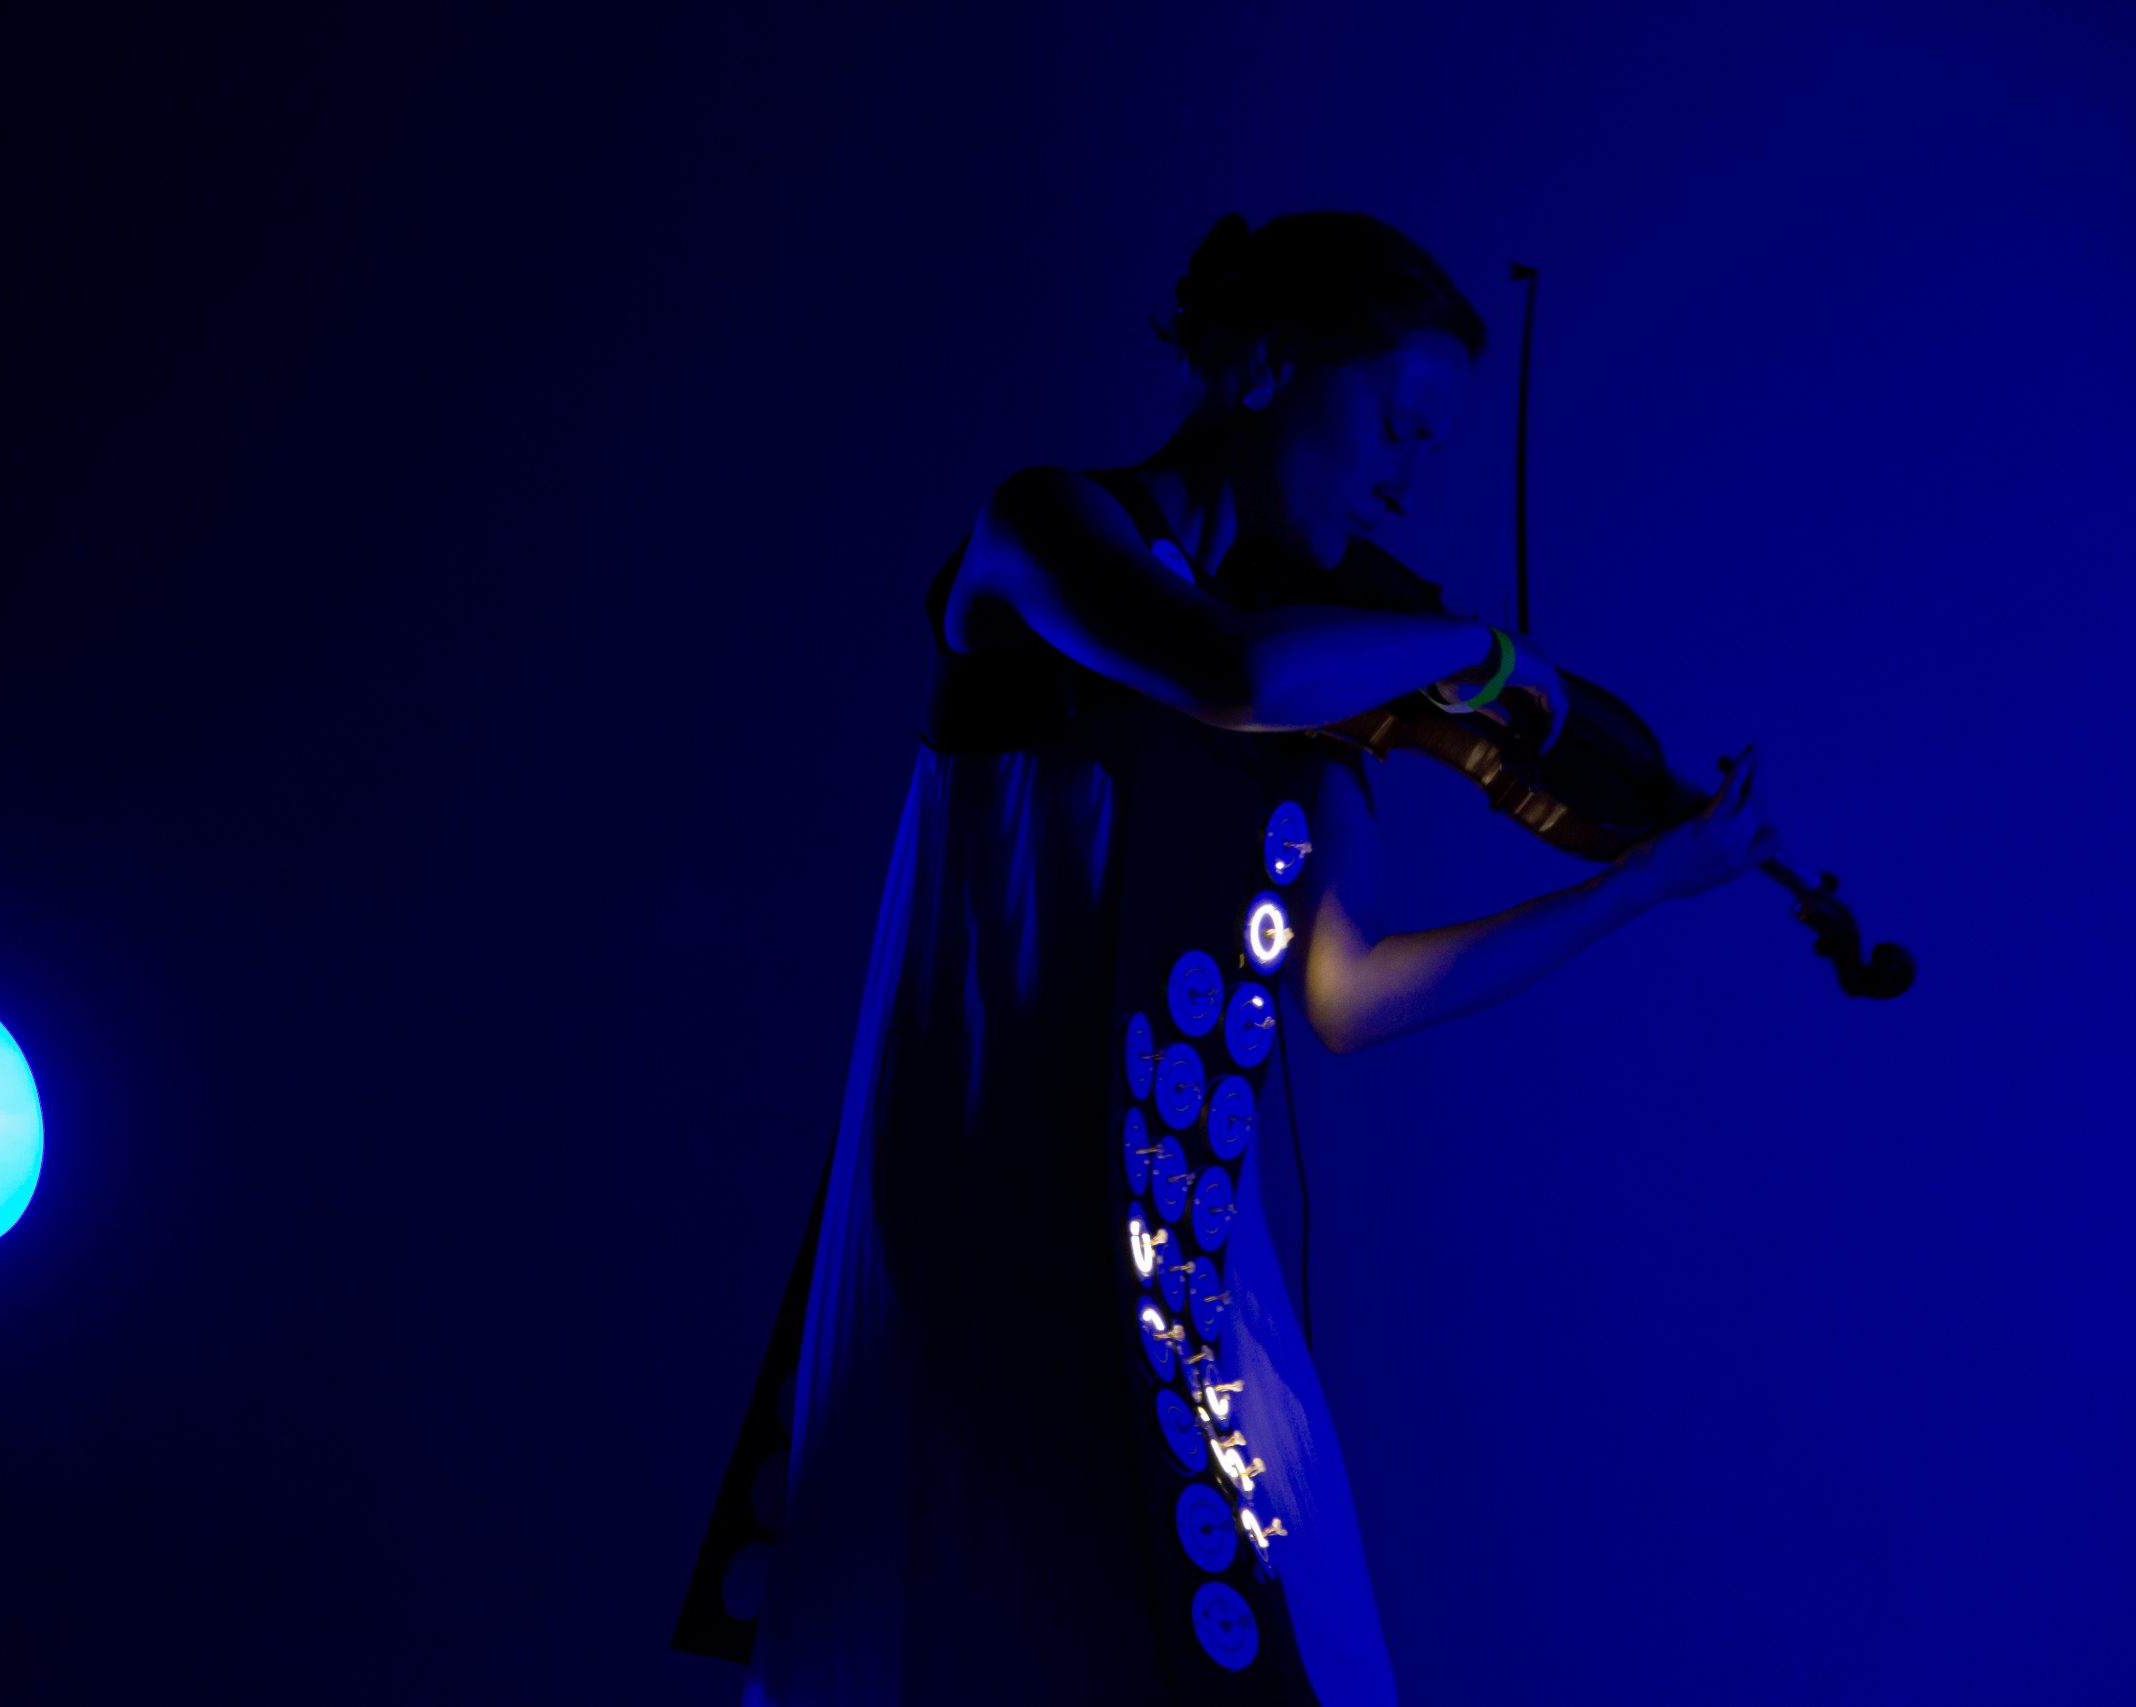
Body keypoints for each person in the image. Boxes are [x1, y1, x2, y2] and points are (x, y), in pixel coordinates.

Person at [733, 210, 1779, 1705]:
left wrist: (1643, 884)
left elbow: (1347, 995)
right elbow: (1223, 673)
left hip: (1185, 1267)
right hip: (992, 1221)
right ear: (1267, 366)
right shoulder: (1050, 534)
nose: (1407, 481)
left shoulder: (1333, 673)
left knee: (1278, 1659)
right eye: (1398, 428)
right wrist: (1482, 653)